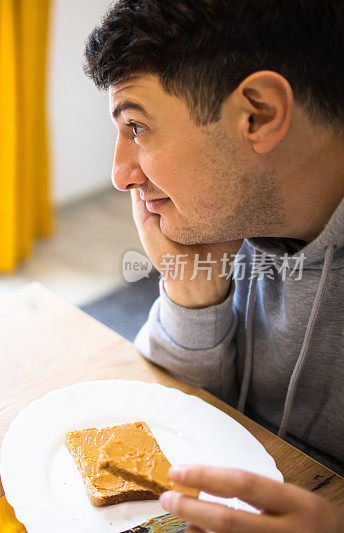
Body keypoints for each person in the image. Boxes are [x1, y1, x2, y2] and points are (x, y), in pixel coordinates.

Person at [84, 0, 344, 531]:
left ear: (259, 114)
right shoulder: (237, 217)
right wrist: (192, 291)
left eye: (136, 126)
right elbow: (169, 427)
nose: (120, 173)